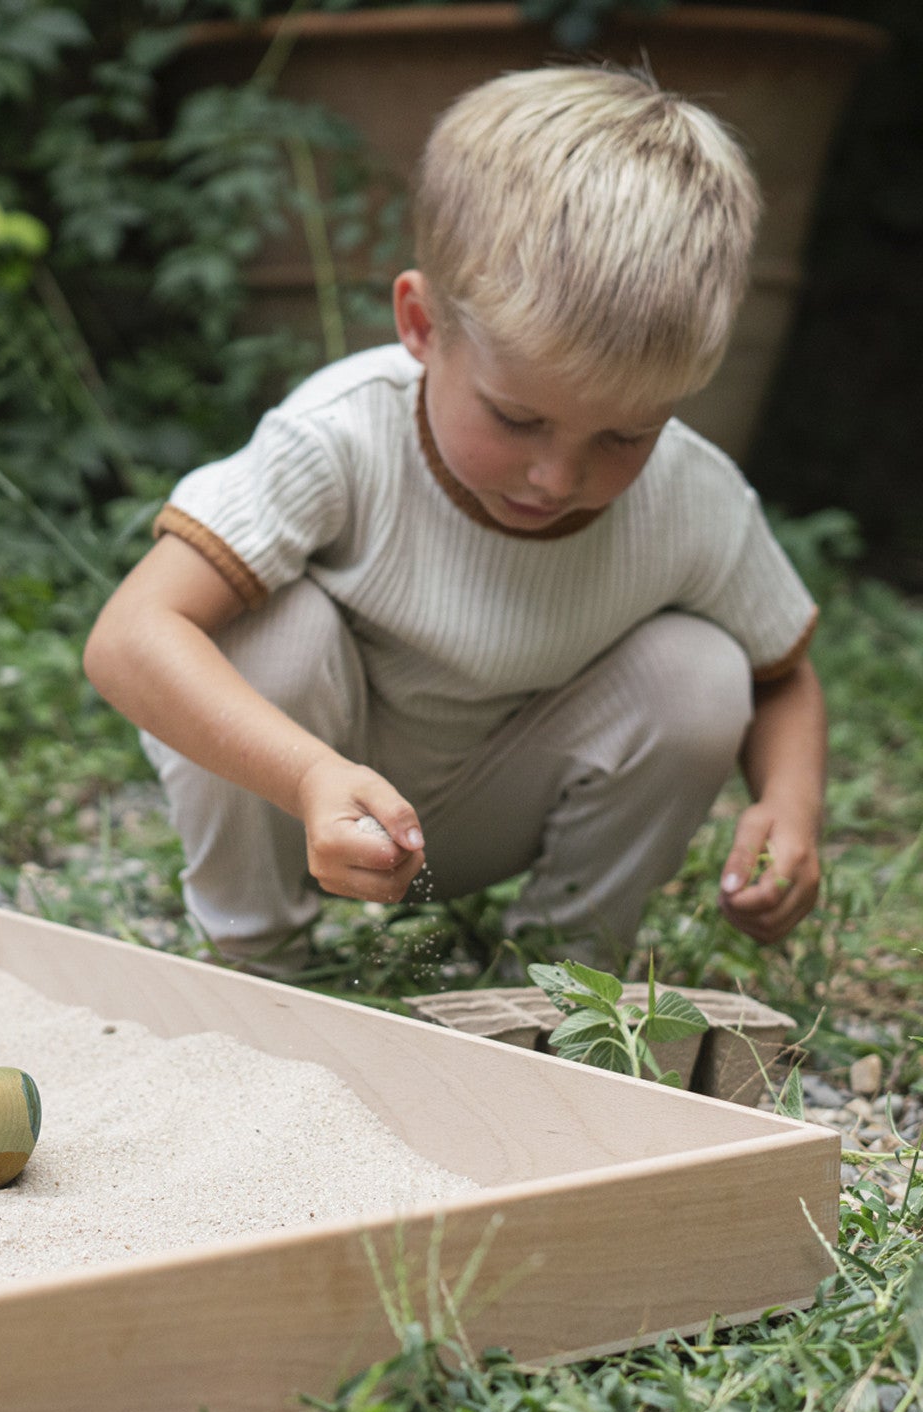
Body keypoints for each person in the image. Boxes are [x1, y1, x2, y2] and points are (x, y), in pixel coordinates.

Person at [83, 64, 826, 976]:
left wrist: (789, 808)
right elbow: (128, 638)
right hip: (307, 792)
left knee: (705, 674)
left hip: (491, 805)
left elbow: (780, 678)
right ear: (422, 324)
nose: (558, 476)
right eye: (517, 419)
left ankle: (564, 976)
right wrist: (309, 776)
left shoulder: (690, 495)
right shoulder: (341, 437)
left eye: (626, 434)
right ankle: (261, 956)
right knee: (268, 626)